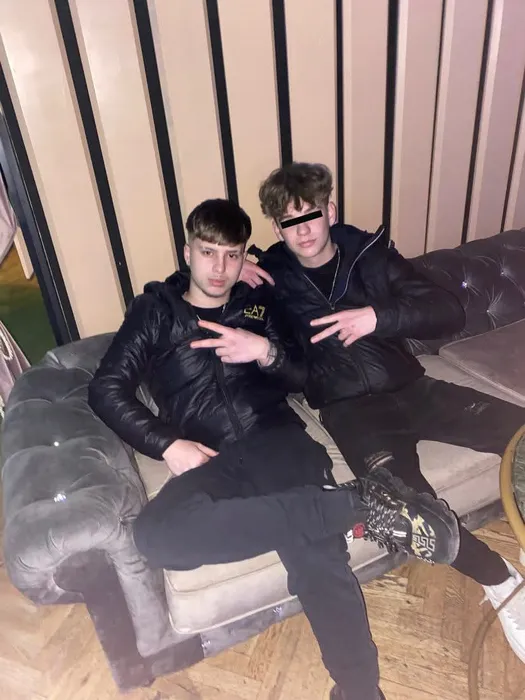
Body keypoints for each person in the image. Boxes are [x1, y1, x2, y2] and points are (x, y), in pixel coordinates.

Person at [89, 198, 460, 700]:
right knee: (156, 536)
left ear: (245, 256)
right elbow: (105, 388)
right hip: (209, 457)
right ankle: (358, 504)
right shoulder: (156, 311)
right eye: (208, 253)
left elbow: (304, 374)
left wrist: (264, 350)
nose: (220, 268)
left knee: (316, 558)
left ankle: (359, 690)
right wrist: (167, 444)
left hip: (277, 440)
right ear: (187, 252)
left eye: (232, 255)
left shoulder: (258, 303)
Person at [243, 161, 525, 693]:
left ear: (330, 211)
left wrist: (377, 317)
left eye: (310, 215)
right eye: (288, 222)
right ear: (276, 228)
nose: (302, 231)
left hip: (414, 389)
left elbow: (447, 311)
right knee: (415, 512)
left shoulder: (369, 254)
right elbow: (219, 313)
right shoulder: (273, 281)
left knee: (521, 434)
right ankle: (503, 581)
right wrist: (239, 280)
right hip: (352, 412)